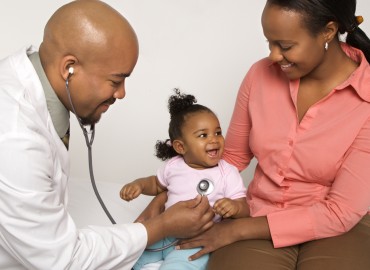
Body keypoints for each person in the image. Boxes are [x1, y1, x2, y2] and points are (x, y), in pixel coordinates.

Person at [138, 0, 370, 269]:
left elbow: (340, 212)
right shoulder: (260, 75)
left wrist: (234, 230)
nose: (272, 56)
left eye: (284, 46)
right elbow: (231, 157)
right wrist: (168, 196)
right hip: (259, 211)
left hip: (340, 227)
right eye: (269, 43)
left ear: (328, 32)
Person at [0, 1, 215, 269]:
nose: (121, 93)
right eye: (115, 81)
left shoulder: (33, 83)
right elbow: (61, 261)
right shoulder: (14, 138)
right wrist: (158, 228)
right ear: (69, 68)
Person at [120, 89, 249, 270]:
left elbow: (244, 208)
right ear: (180, 146)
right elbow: (156, 184)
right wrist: (139, 185)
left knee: (179, 265)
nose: (214, 139)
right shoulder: (174, 166)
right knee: (127, 256)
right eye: (203, 135)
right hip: (165, 233)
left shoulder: (227, 173)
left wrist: (235, 207)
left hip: (195, 240)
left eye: (218, 132)